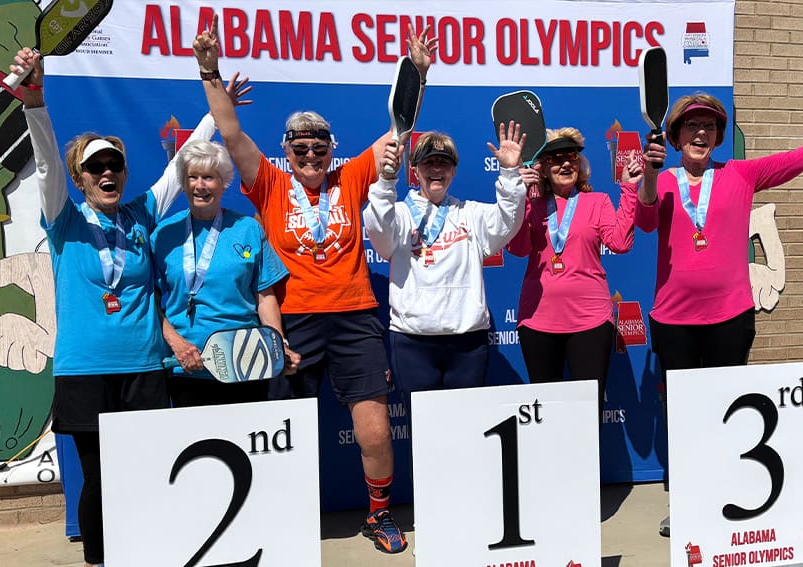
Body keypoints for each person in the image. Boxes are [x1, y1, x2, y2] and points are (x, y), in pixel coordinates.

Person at [191, 15, 436, 554]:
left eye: (318, 148)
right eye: (299, 149)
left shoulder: (350, 178)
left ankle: (378, 513)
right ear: (287, 150)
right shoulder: (269, 183)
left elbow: (399, 131)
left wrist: (417, 71)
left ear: (331, 149)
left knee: (374, 429)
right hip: (292, 320)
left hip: (353, 317)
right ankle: (277, 516)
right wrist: (209, 71)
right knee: (283, 432)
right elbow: (229, 132)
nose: (309, 156)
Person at [12, 47, 230, 567]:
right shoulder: (64, 217)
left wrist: (214, 103)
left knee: (149, 472)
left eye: (114, 164)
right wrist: (35, 99)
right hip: (86, 371)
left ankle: (148, 554)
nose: (107, 172)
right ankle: (99, 560)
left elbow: (183, 165)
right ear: (81, 178)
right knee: (99, 479)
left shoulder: (140, 214)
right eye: (96, 168)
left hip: (141, 368)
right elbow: (44, 164)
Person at [636, 92, 803, 536]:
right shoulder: (662, 178)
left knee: (728, 414)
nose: (700, 133)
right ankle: (692, 504)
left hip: (730, 318)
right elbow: (646, 218)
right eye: (691, 126)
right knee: (686, 419)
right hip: (674, 321)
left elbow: (799, 157)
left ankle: (727, 498)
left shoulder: (741, 173)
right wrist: (650, 175)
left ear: (718, 136)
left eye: (708, 127)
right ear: (674, 136)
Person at [363, 126, 526, 398]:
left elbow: (508, 221)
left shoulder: (470, 214)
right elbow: (379, 231)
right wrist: (385, 181)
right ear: (414, 169)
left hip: (467, 343)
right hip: (412, 341)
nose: (436, 169)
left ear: (454, 171)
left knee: (467, 429)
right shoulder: (400, 214)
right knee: (424, 432)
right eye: (429, 162)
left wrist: (510, 174)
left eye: (443, 163)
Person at [152, 140, 300, 406]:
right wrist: (177, 344)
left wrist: (279, 345)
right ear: (183, 184)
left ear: (223, 182)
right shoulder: (163, 234)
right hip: (187, 366)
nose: (200, 185)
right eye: (192, 177)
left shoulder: (248, 229)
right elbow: (150, 301)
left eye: (208, 177)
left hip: (245, 364)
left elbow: (264, 297)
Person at [506, 128, 641, 413]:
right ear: (542, 168)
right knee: (548, 413)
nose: (565, 163)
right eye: (555, 158)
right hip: (538, 321)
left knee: (586, 412)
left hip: (590, 322)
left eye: (571, 156)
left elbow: (620, 243)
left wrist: (629, 190)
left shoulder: (598, 201)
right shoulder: (531, 204)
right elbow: (517, 249)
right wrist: (521, 200)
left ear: (580, 164)